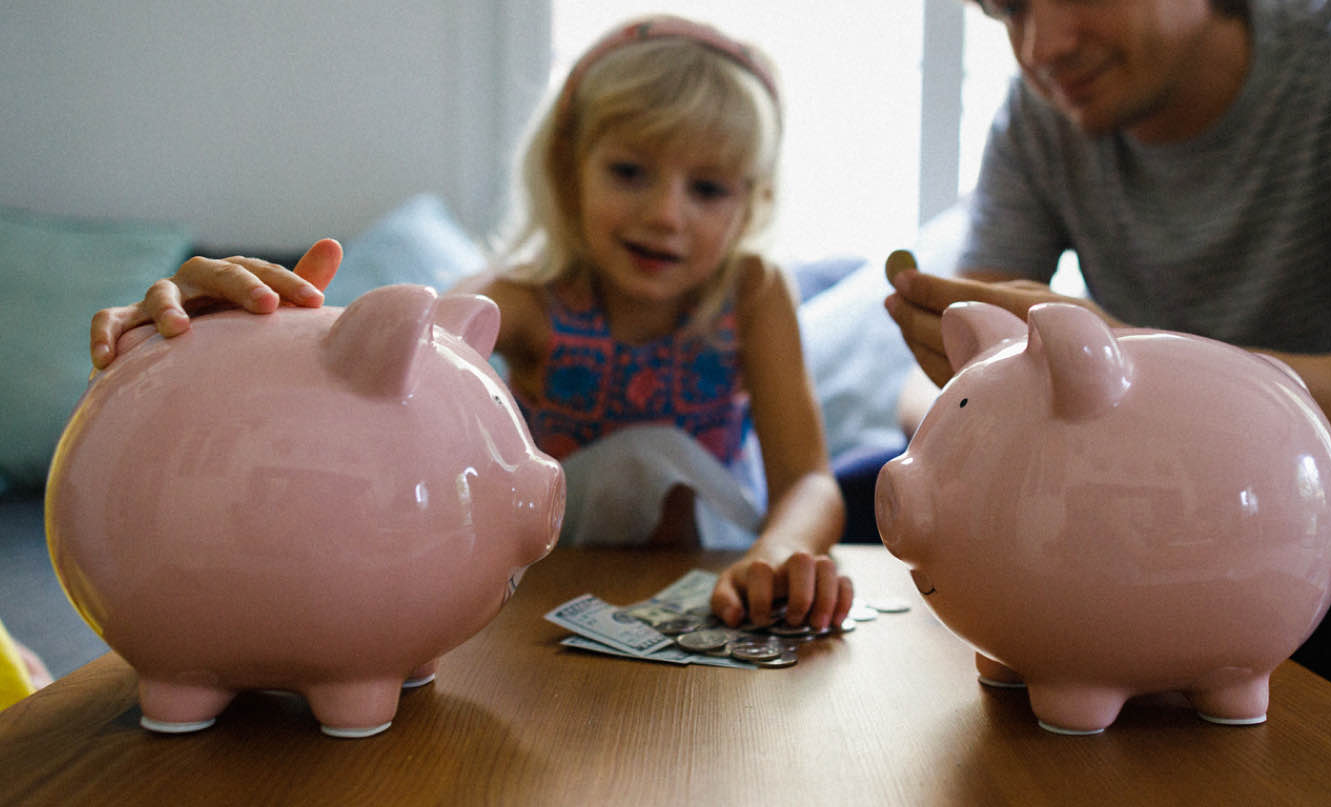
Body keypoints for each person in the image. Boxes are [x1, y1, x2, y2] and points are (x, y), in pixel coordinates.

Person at [88, 16, 852, 632]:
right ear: (567, 163)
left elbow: (809, 476)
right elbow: (394, 353)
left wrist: (777, 553)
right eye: (630, 171)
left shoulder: (753, 292)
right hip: (544, 601)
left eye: (709, 187)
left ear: (751, 203)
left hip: (719, 578)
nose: (665, 213)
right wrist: (235, 336)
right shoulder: (525, 302)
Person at [886, 0, 1331, 739]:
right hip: (1122, 453)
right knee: (863, 486)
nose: (1040, 47)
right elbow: (946, 380)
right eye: (1009, 10)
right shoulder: (1044, 114)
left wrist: (1153, 370)